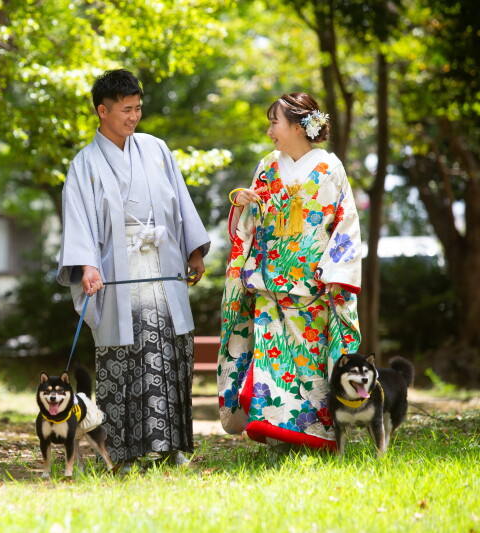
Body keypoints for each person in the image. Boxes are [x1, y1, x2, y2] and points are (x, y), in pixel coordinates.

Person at [57, 69, 210, 470]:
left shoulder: (157, 149)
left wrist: (195, 251)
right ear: (102, 111)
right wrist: (87, 264)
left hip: (162, 267)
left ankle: (173, 447)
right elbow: (78, 222)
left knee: (170, 349)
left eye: (138, 108)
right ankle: (122, 453)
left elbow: (181, 204)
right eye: (126, 109)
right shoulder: (84, 164)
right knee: (123, 355)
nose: (134, 117)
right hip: (116, 272)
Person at [217, 92, 362, 452]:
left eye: (274, 122)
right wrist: (242, 203)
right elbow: (248, 222)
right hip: (268, 284)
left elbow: (346, 223)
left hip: (311, 286)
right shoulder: (268, 165)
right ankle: (276, 440)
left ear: (299, 127)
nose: (269, 131)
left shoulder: (330, 168)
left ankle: (317, 436)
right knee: (270, 361)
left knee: (308, 363)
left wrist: (335, 273)